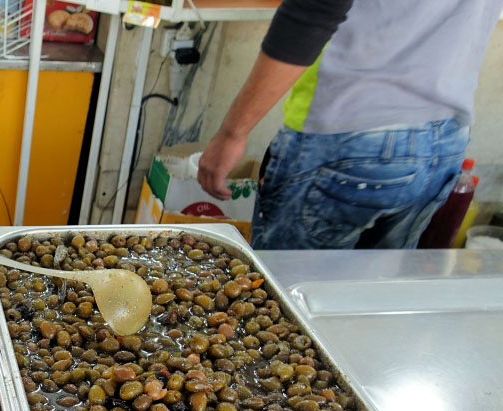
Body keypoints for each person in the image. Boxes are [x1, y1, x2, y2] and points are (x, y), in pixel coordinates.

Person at [197, 0, 503, 250]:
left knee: (284, 299)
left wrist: (232, 133)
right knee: (365, 298)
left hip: (347, 137)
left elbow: (310, 14)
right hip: (444, 142)